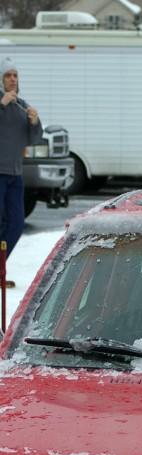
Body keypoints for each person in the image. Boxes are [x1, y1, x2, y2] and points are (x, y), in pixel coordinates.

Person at [0, 57, 42, 287]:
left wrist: (35, 122)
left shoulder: (22, 106)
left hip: (15, 175)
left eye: (15, 75)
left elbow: (34, 139)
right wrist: (2, 104)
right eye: (8, 75)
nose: (13, 79)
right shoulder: (4, 103)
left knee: (16, 224)